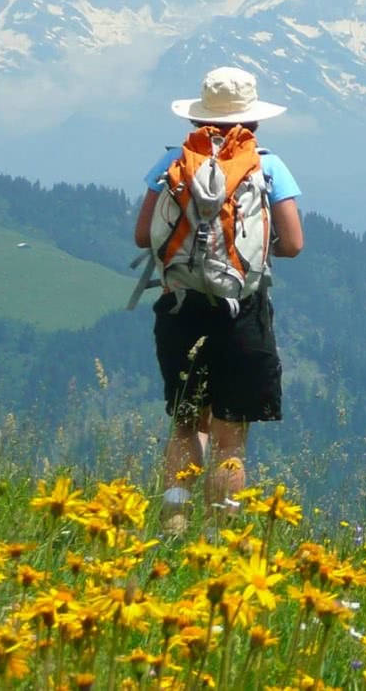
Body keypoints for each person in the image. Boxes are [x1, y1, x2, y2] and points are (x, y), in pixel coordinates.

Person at [133, 66, 304, 531]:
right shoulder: (268, 165)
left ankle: (173, 522)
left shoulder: (170, 163)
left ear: (196, 118)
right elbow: (293, 243)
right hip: (242, 312)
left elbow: (141, 235)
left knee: (188, 423)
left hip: (180, 307)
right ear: (253, 121)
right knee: (231, 437)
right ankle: (221, 532)